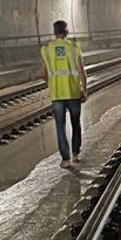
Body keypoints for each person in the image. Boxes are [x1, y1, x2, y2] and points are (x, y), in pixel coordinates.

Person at [40, 20, 88, 168]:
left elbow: (43, 74)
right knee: (75, 123)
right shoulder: (73, 47)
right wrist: (84, 90)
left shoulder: (46, 49)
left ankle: (65, 159)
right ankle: (75, 154)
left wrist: (52, 84)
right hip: (73, 92)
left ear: (54, 33)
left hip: (57, 95)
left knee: (60, 126)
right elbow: (81, 71)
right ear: (66, 32)